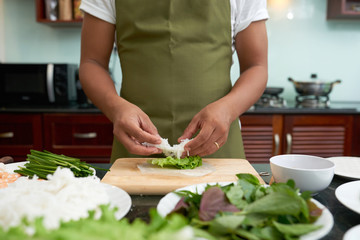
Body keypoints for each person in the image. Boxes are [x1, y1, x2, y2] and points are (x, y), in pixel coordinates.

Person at [79, 0, 269, 163]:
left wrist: (227, 110)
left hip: (218, 146)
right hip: (135, 145)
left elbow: (256, 67)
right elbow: (92, 63)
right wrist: (116, 108)